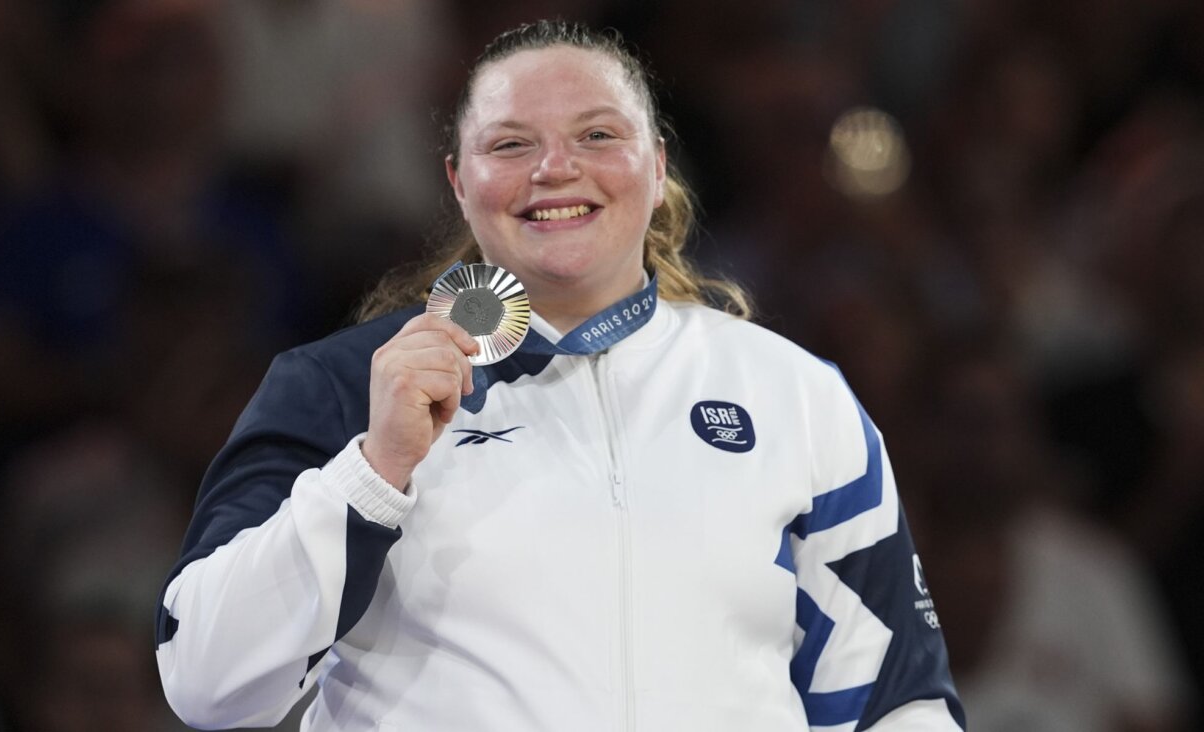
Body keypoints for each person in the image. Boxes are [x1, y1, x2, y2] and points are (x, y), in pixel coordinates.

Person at [154, 20, 965, 731]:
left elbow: (895, 704)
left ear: (655, 168)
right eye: (510, 144)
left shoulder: (793, 395)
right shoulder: (344, 385)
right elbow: (205, 680)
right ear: (459, 183)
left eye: (597, 136)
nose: (555, 168)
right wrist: (373, 473)